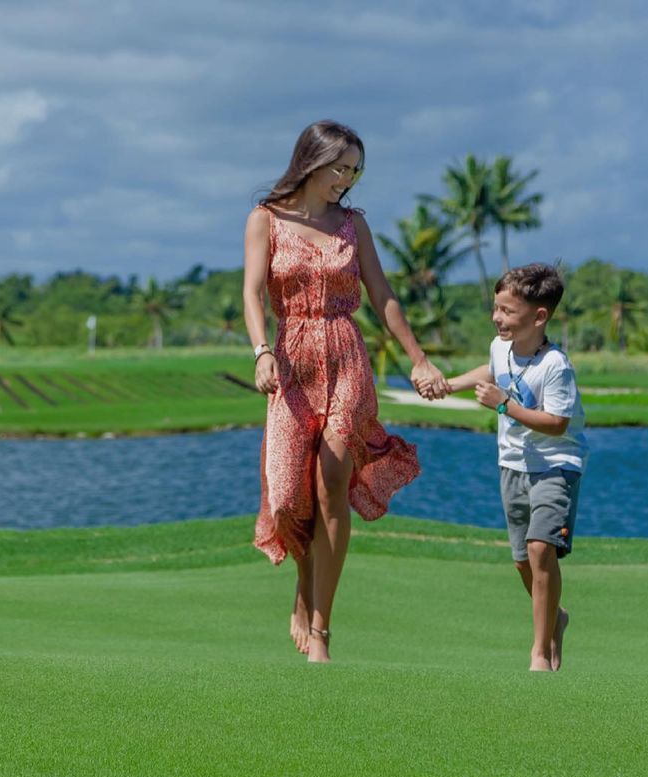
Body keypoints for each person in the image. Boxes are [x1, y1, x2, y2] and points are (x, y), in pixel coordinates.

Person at [243, 121, 448, 663]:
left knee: (332, 482)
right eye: (340, 168)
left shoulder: (354, 226)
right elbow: (252, 294)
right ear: (311, 162)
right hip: (291, 360)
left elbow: (383, 297)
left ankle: (321, 629)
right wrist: (261, 351)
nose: (347, 179)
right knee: (289, 496)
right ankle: (303, 586)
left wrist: (419, 359)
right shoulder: (266, 218)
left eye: (355, 170)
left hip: (345, 357)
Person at [444, 264, 588, 672]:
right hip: (511, 463)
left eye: (507, 311)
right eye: (496, 308)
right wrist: (449, 385)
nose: (497, 317)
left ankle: (540, 652)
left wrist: (504, 405)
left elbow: (557, 423)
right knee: (523, 559)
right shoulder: (500, 347)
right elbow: (491, 370)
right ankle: (556, 617)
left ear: (539, 317)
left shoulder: (556, 365)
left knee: (542, 548)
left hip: (556, 465)